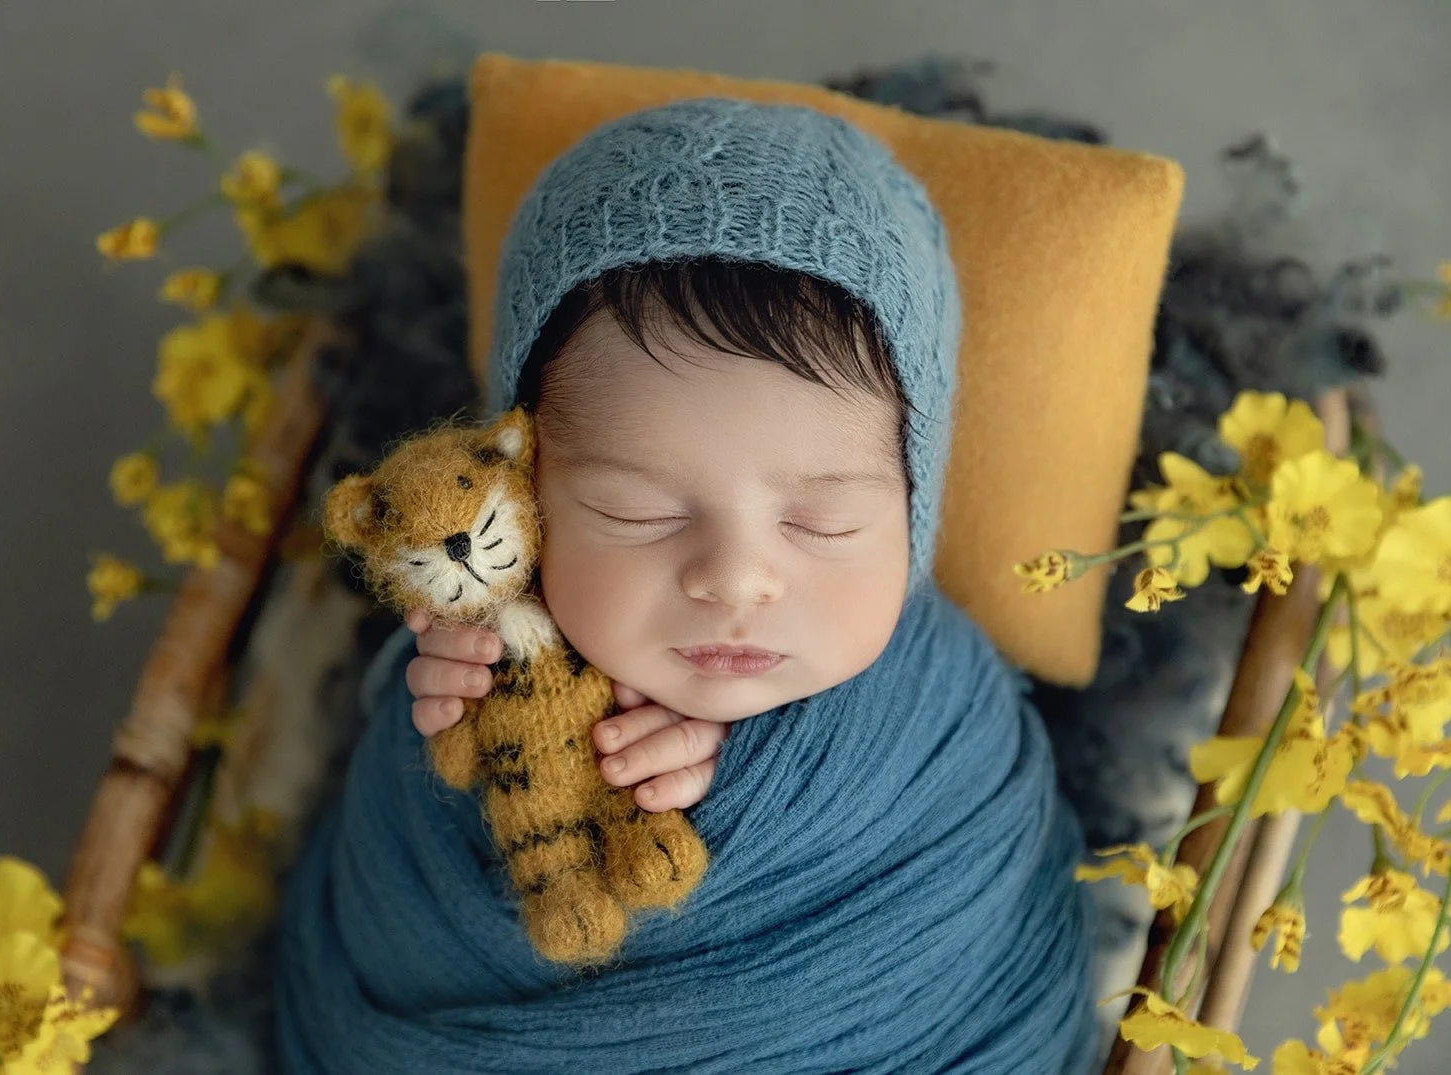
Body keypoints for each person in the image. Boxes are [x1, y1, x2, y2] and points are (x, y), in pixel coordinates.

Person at [277, 96, 1097, 1073]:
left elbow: (987, 939)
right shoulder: (493, 641)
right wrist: (443, 697)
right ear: (525, 489)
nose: (735, 578)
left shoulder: (938, 720)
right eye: (637, 513)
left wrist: (754, 763)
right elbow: (406, 860)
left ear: (912, 507)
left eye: (821, 521)